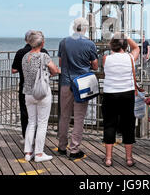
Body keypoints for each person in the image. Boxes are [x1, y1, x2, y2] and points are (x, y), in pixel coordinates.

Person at [57, 17, 98, 160]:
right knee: (79, 118)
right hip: (82, 83)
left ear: (74, 27)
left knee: (64, 116)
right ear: (85, 28)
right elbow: (95, 66)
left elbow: (61, 62)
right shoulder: (89, 44)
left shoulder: (64, 42)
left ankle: (62, 146)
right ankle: (74, 149)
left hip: (66, 82)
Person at [101, 33, 141, 167]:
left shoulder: (106, 58)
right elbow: (136, 48)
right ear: (124, 45)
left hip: (110, 94)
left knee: (109, 125)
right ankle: (129, 158)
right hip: (127, 94)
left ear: (112, 45)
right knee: (128, 125)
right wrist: (126, 36)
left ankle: (108, 158)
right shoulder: (130, 58)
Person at [22, 31, 60, 162]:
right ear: (42, 43)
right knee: (42, 123)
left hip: (28, 93)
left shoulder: (25, 56)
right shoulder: (44, 56)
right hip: (42, 93)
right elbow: (54, 70)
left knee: (31, 122)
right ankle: (39, 154)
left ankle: (28, 152)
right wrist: (52, 73)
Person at [12, 30, 49, 140]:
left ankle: (26, 137)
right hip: (41, 87)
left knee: (25, 113)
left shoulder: (20, 52)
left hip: (25, 86)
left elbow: (14, 70)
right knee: (41, 115)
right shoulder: (44, 51)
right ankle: (38, 137)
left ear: (26, 40)